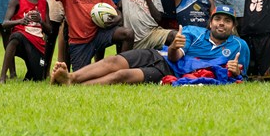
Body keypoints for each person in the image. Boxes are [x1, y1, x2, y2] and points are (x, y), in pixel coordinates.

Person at [49, 6, 249, 86]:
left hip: (169, 72)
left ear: (233, 26)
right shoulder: (195, 33)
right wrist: (172, 47)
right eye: (218, 19)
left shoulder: (240, 46)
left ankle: (75, 86)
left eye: (227, 21)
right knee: (116, 61)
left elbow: (241, 76)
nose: (221, 23)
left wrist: (235, 72)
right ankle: (72, 77)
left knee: (123, 76)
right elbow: (174, 56)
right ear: (211, 22)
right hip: (160, 55)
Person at [0, 0, 50, 83]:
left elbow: (50, 30)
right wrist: (20, 21)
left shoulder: (43, 2)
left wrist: (40, 21)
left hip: (37, 45)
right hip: (21, 41)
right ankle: (3, 76)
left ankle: (30, 73)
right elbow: (5, 23)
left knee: (36, 78)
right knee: (16, 37)